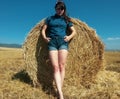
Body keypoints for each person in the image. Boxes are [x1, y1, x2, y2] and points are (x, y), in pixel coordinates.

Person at [41, 1, 76, 99]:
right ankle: (60, 92)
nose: (59, 10)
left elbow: (74, 31)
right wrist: (44, 38)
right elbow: (43, 30)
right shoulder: (49, 19)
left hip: (62, 42)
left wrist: (69, 37)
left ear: (64, 10)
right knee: (55, 67)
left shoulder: (67, 20)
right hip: (52, 43)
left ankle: (59, 91)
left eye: (61, 8)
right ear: (55, 9)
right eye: (58, 8)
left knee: (62, 66)